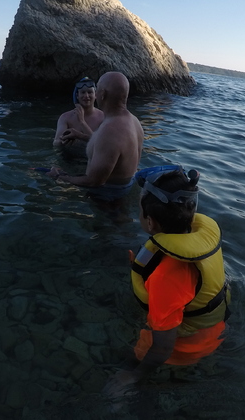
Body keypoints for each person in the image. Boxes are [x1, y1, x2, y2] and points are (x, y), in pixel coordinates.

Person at [103, 167, 231, 398]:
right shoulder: (199, 241)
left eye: (139, 211)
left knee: (120, 368)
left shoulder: (166, 277)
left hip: (184, 350)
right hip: (213, 331)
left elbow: (162, 348)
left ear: (150, 222)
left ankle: (131, 391)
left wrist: (133, 375)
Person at [48, 72, 144, 202]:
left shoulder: (110, 130)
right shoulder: (134, 121)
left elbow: (94, 182)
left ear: (102, 94)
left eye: (96, 89)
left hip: (106, 198)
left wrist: (59, 176)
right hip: (124, 188)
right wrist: (80, 135)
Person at [53, 77, 105, 150]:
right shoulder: (65, 117)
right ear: (77, 96)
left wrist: (82, 122)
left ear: (95, 95)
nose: (86, 96)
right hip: (69, 156)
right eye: (83, 92)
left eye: (90, 92)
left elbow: (102, 145)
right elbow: (55, 143)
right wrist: (63, 141)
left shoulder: (103, 118)